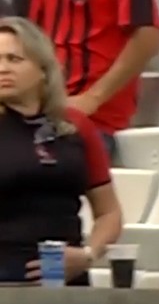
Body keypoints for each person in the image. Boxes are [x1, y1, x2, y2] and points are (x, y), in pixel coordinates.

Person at [11, 0, 159, 158]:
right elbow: (23, 35)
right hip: (34, 113)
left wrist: (92, 99)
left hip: (94, 121)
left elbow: (149, 37)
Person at [0, 17, 122, 285]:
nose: (3, 69)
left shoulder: (75, 126)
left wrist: (88, 254)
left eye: (14, 59)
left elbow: (109, 213)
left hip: (64, 279)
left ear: (43, 69)